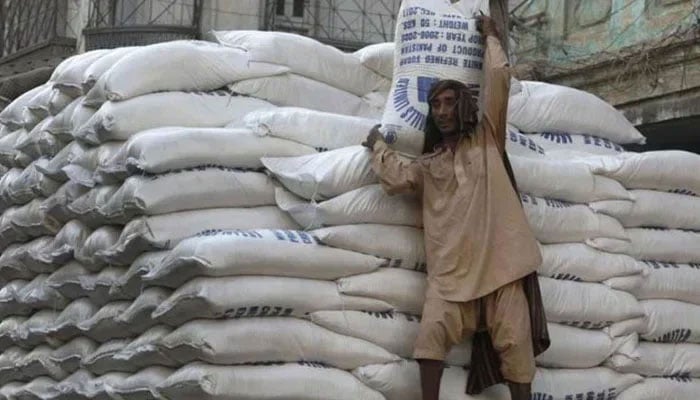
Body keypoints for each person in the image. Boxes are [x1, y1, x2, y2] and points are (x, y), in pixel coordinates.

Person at [362, 15, 550, 400]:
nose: (443, 110)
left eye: (449, 102)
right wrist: (377, 145)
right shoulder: (429, 166)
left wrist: (491, 37)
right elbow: (397, 177)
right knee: (430, 337)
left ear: (463, 104)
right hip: (451, 276)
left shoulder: (487, 140)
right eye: (436, 105)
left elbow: (498, 78)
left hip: (502, 269)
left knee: (516, 344)